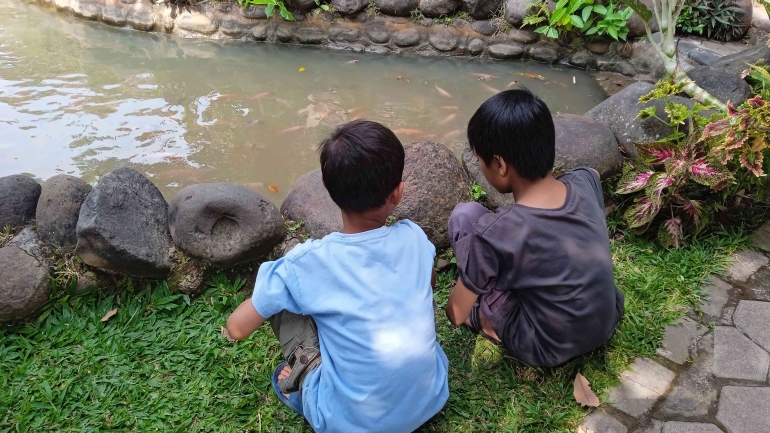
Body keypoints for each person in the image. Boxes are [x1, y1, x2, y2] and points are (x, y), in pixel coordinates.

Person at [226, 120, 449, 432]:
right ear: (398, 193)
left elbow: (236, 329)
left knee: (281, 294)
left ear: (327, 188)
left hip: (351, 422)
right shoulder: (414, 237)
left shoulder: (308, 263)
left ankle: (304, 383)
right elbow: (430, 283)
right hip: (429, 398)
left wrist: (241, 318)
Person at [444, 88, 624, 368]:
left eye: (480, 160)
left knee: (464, 215)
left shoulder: (495, 233)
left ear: (500, 165)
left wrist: (467, 289)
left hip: (546, 344)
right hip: (606, 319)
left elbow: (455, 314)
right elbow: (592, 173)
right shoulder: (585, 181)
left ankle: (486, 320)